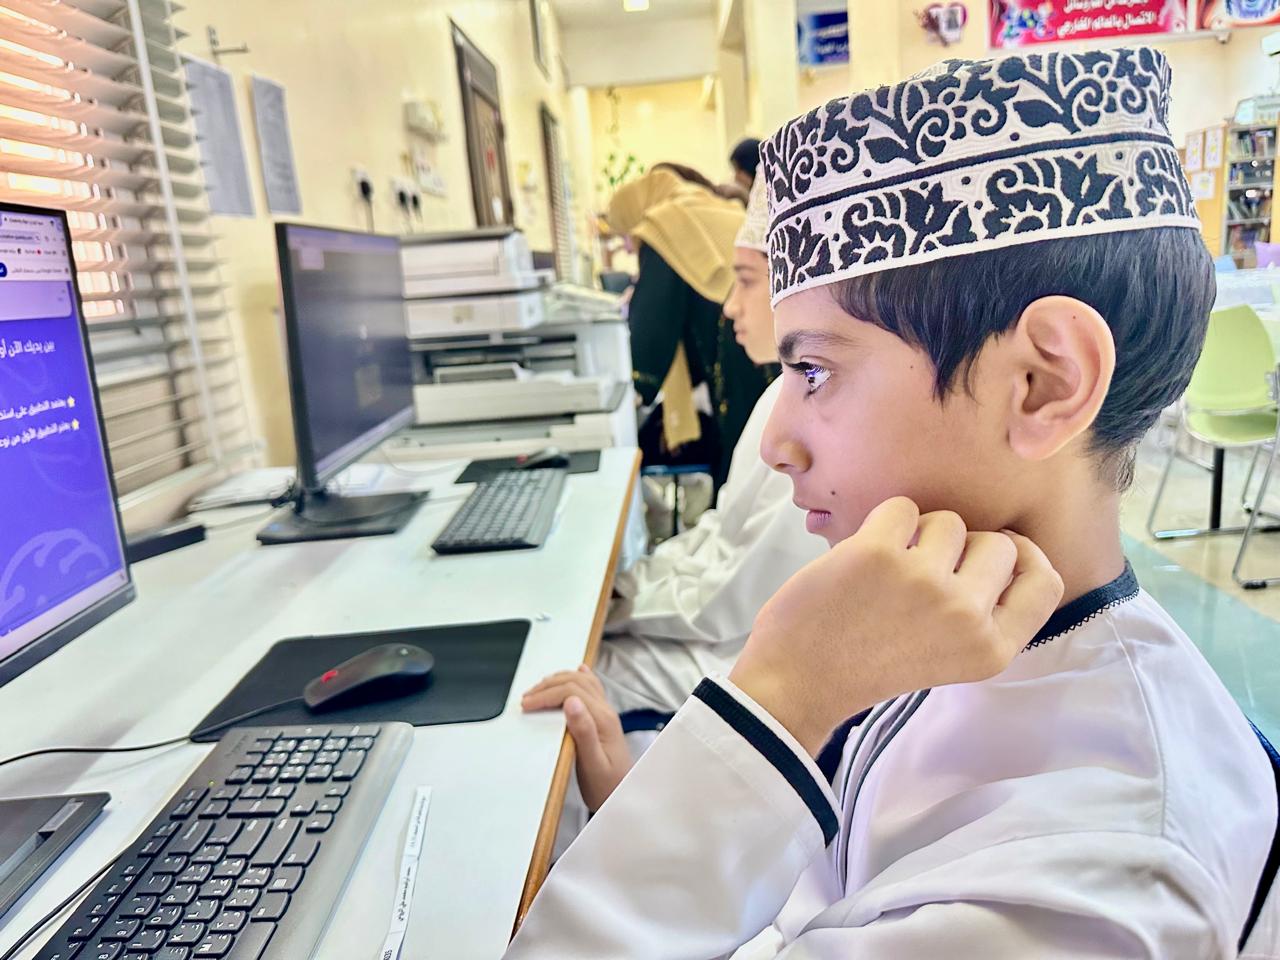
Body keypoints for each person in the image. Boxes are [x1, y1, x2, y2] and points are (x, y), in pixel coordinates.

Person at [507, 47, 1280, 957]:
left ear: (1044, 383)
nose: (775, 439)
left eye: (813, 369)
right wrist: (653, 812)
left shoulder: (1098, 890)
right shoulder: (952, 625)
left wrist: (785, 691)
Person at [525, 176, 825, 744]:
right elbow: (721, 532)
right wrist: (627, 587)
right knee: (576, 652)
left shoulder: (815, 418)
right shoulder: (779, 396)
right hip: (726, 628)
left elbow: (735, 597)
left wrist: (619, 604)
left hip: (743, 655)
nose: (728, 306)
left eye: (745, 281)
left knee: (565, 680)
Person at [608, 166, 771, 487]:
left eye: (624, 234)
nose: (627, 246)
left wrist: (625, 393)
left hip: (736, 349)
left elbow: (650, 335)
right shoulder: (711, 204)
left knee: (745, 458)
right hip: (763, 343)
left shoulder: (662, 224)